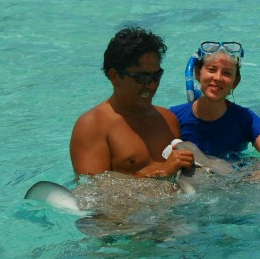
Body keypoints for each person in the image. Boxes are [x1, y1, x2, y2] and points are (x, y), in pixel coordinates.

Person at [70, 26, 194, 178]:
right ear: (115, 76)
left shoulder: (168, 120)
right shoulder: (92, 126)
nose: (152, 85)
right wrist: (161, 172)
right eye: (142, 78)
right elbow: (92, 194)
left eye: (156, 76)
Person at [170, 41, 260, 180]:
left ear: (235, 82)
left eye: (226, 73)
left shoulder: (246, 119)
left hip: (233, 177)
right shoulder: (174, 117)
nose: (218, 78)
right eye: (212, 69)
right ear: (197, 73)